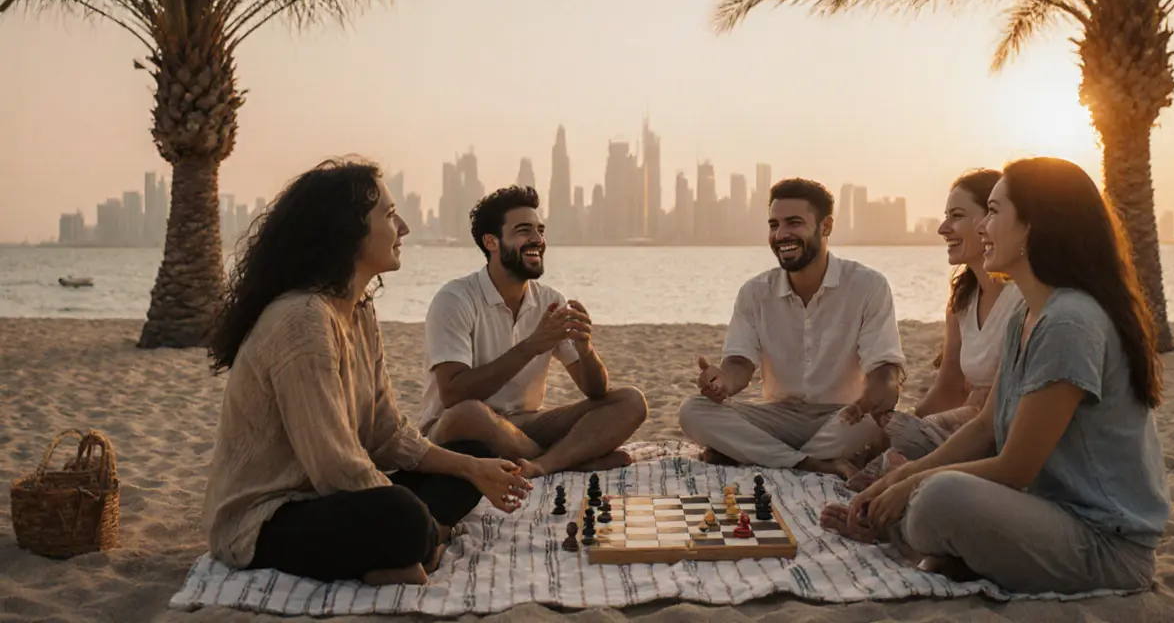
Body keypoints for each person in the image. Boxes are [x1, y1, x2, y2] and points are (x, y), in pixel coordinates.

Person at [821, 157, 1171, 594]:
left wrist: (910, 483)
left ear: (1033, 226)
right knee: (929, 489)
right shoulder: (1026, 312)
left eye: (993, 211)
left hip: (1105, 547)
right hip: (1045, 514)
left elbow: (1016, 465)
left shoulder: (1069, 322)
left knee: (939, 497)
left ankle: (914, 540)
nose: (982, 226)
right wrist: (895, 480)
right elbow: (986, 426)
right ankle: (919, 540)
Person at [202, 159, 531, 587]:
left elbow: (387, 433)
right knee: (404, 519)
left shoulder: (359, 310)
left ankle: (408, 549)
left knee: (479, 454)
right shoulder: (301, 320)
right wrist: (418, 516)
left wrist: (470, 468)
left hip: (333, 500)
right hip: (268, 519)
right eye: (391, 216)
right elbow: (335, 466)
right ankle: (421, 543)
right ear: (349, 230)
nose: (405, 228)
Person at [677, 178, 906, 478]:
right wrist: (722, 383)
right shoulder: (755, 292)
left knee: (874, 423)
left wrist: (879, 392)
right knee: (692, 411)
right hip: (777, 417)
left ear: (826, 227)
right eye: (774, 225)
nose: (781, 234)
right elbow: (739, 363)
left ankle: (758, 454)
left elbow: (884, 366)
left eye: (794, 223)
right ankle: (810, 463)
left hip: (843, 417)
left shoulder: (868, 286)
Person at [418, 185, 648, 479]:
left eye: (540, 230)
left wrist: (585, 349)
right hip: (458, 431)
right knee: (469, 413)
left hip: (526, 426)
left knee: (630, 400)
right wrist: (531, 346)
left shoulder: (550, 301)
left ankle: (544, 463)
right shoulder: (455, 299)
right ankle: (565, 461)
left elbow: (595, 392)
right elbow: (453, 394)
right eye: (524, 231)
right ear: (492, 241)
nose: (537, 240)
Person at [846, 169, 1023, 490]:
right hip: (964, 424)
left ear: (991, 220)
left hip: (1002, 434)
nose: (943, 229)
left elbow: (1004, 408)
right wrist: (900, 423)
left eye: (957, 216)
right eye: (945, 217)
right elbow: (947, 388)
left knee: (904, 453)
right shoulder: (963, 300)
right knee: (878, 434)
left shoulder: (1023, 297)